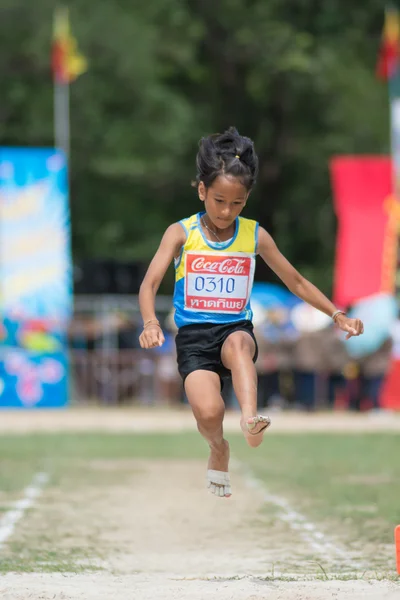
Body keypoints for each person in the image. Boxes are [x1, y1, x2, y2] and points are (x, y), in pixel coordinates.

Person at [138, 127, 364, 498]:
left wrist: (336, 315)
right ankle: (218, 448)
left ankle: (249, 418)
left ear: (247, 200)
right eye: (219, 200)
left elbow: (297, 282)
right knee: (209, 413)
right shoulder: (180, 233)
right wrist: (149, 322)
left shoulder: (254, 236)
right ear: (201, 191)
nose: (227, 211)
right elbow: (149, 285)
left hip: (234, 328)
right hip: (194, 337)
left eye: (237, 203)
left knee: (241, 344)